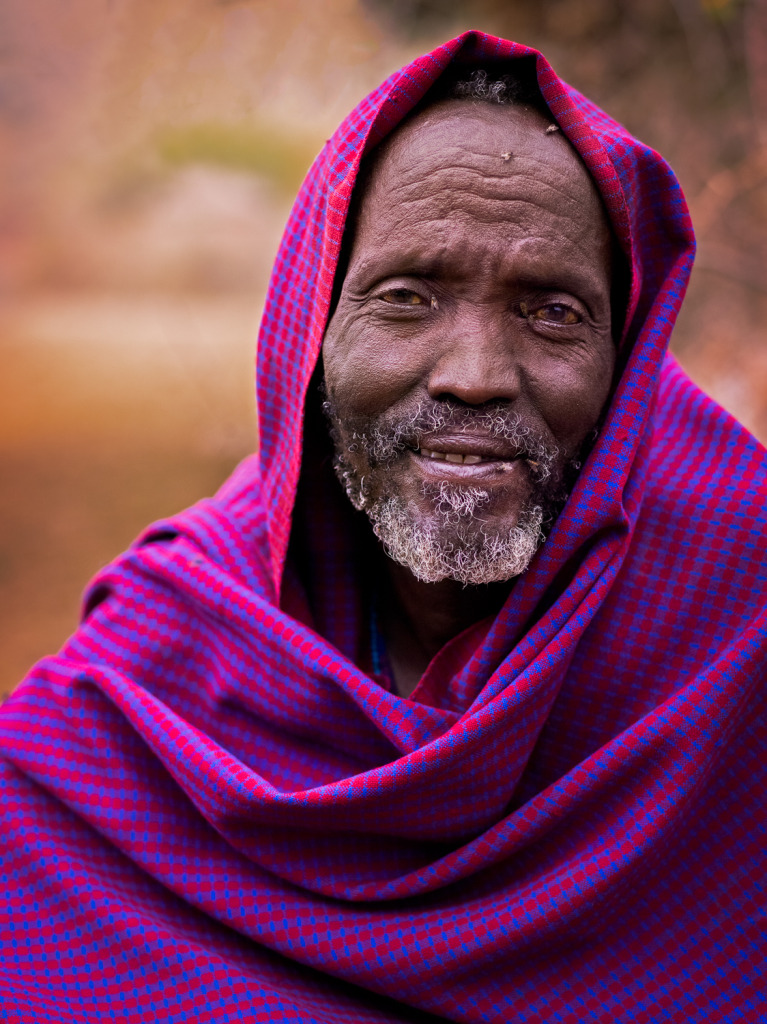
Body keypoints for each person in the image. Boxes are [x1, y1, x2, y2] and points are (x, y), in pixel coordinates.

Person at [0, 30, 764, 1024]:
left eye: (551, 313)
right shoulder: (170, 641)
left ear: (626, 365)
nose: (474, 373)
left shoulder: (732, 601)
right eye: (406, 298)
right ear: (306, 333)